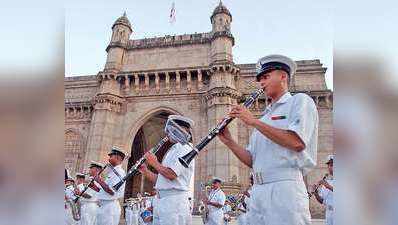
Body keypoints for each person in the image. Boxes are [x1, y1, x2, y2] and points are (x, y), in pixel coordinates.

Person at [218, 54, 319, 225]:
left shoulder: (299, 101)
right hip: (258, 192)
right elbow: (252, 160)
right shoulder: (264, 117)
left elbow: (297, 142)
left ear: (283, 76)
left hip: (285, 189)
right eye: (260, 79)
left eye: (266, 77)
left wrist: (253, 122)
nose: (261, 83)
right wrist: (229, 141)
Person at [139, 115, 195, 225]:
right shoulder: (173, 150)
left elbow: (171, 174)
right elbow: (161, 179)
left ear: (181, 130)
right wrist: (145, 171)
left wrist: (154, 162)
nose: (168, 133)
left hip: (174, 202)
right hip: (162, 201)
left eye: (171, 130)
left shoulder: (185, 149)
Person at [94, 147, 126, 225]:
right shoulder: (113, 172)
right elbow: (104, 190)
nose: (109, 158)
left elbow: (112, 191)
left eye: (111, 156)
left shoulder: (119, 173)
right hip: (104, 206)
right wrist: (94, 186)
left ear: (118, 158)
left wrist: (99, 180)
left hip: (110, 208)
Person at [313, 155, 334, 225]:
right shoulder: (327, 181)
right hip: (329, 214)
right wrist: (315, 193)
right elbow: (322, 201)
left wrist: (327, 186)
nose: (329, 168)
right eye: (329, 166)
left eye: (331, 165)